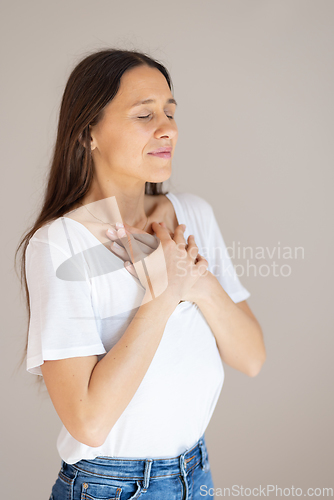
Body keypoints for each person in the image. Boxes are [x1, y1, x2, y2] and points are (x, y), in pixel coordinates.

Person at [15, 48, 266, 500]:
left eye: (170, 112)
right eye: (144, 115)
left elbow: (251, 357)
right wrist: (162, 297)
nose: (167, 128)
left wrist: (198, 282)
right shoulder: (59, 244)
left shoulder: (193, 215)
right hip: (110, 488)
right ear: (88, 130)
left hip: (196, 474)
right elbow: (88, 422)